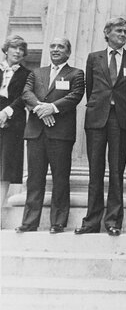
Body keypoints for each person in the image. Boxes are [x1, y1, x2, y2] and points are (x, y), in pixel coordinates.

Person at [75, 17, 126, 236]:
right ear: (107, 33)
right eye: (118, 31)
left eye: (125, 32)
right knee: (95, 171)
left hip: (120, 119)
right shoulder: (94, 58)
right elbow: (91, 88)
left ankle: (113, 221)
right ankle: (91, 222)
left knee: (117, 170)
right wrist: (100, 105)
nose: (122, 35)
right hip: (97, 118)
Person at [16, 37, 84, 233]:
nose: (56, 50)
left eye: (60, 47)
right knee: (34, 178)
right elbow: (26, 94)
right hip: (36, 132)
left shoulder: (76, 74)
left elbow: (75, 96)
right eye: (53, 46)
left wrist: (52, 108)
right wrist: (41, 109)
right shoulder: (36, 73)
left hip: (60, 134)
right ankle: (29, 222)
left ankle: (58, 222)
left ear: (68, 52)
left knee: (60, 177)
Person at [0, 36, 30, 207]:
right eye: (14, 48)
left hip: (13, 122)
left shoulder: (26, 74)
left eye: (21, 49)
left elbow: (24, 96)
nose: (18, 52)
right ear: (6, 50)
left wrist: (6, 112)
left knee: (6, 167)